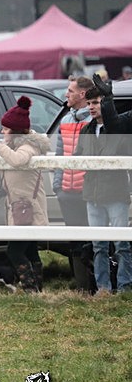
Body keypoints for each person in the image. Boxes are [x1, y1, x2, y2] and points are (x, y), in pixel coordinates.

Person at [0, 96, 50, 292]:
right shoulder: (14, 146)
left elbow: (18, 160)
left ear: (15, 131)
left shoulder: (29, 146)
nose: (2, 132)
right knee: (29, 251)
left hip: (28, 208)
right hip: (19, 208)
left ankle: (30, 288)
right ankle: (37, 288)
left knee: (15, 251)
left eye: (5, 129)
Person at [75, 86, 132, 294]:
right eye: (89, 103)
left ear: (105, 104)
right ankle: (103, 289)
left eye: (96, 102)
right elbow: (78, 157)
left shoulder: (119, 129)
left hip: (116, 192)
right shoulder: (86, 130)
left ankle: (125, 287)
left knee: (121, 244)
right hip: (92, 193)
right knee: (98, 245)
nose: (91, 107)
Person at [53, 76, 94, 292]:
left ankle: (94, 287)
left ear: (83, 94)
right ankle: (81, 287)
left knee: (91, 240)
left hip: (86, 192)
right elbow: (60, 154)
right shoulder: (65, 120)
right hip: (67, 191)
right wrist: (57, 186)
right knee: (74, 242)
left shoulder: (94, 121)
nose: (66, 94)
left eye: (70, 90)